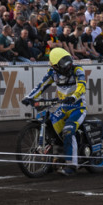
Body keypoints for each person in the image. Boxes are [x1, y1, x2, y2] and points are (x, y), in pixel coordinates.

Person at [21, 47, 87, 176]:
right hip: (63, 107)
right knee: (55, 130)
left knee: (68, 130)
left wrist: (73, 97)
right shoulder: (52, 72)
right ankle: (56, 159)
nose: (68, 67)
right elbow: (41, 85)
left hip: (78, 107)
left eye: (69, 63)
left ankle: (72, 165)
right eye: (64, 65)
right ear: (56, 66)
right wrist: (29, 97)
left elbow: (82, 86)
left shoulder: (78, 69)